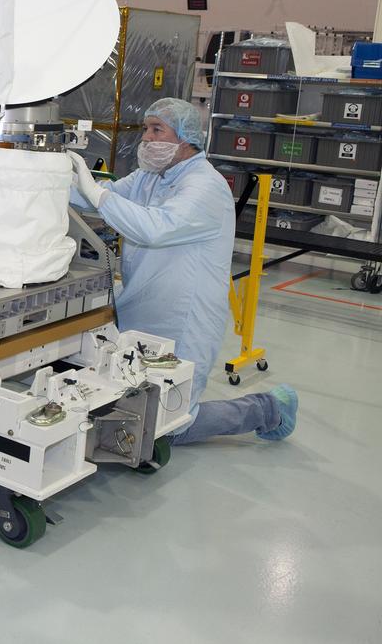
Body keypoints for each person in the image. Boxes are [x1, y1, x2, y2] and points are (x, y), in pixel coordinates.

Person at [68, 97, 298, 445]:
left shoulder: (205, 186)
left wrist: (97, 194)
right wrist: (52, 179)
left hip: (184, 321)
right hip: (141, 305)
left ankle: (267, 408)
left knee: (170, 426)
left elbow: (155, 227)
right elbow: (103, 197)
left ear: (186, 138)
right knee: (132, 399)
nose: (146, 138)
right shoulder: (149, 177)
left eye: (157, 129)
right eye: (146, 129)